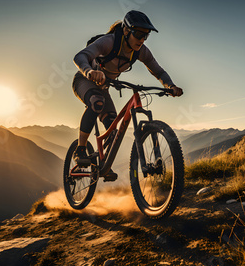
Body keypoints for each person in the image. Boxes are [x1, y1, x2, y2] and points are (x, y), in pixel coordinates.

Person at [72, 10, 183, 181]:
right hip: (84, 80)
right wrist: (90, 72)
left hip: (104, 86)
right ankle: (80, 150)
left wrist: (170, 86)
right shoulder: (109, 42)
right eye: (138, 34)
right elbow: (80, 56)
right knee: (96, 102)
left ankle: (104, 164)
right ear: (126, 31)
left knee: (112, 129)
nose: (142, 39)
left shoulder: (141, 51)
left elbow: (158, 71)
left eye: (146, 36)